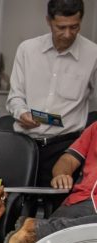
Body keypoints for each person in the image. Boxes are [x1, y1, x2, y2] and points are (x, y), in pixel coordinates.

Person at [7, 0, 97, 186]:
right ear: (48, 21)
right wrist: (21, 113)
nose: (68, 34)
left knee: (58, 209)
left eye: (74, 27)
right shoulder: (28, 50)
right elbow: (15, 96)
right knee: (15, 203)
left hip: (65, 147)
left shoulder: (93, 54)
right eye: (61, 27)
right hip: (24, 144)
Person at [4, 119, 97, 243]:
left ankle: (39, 229)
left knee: (48, 237)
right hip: (80, 199)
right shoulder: (95, 128)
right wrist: (62, 174)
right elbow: (68, 159)